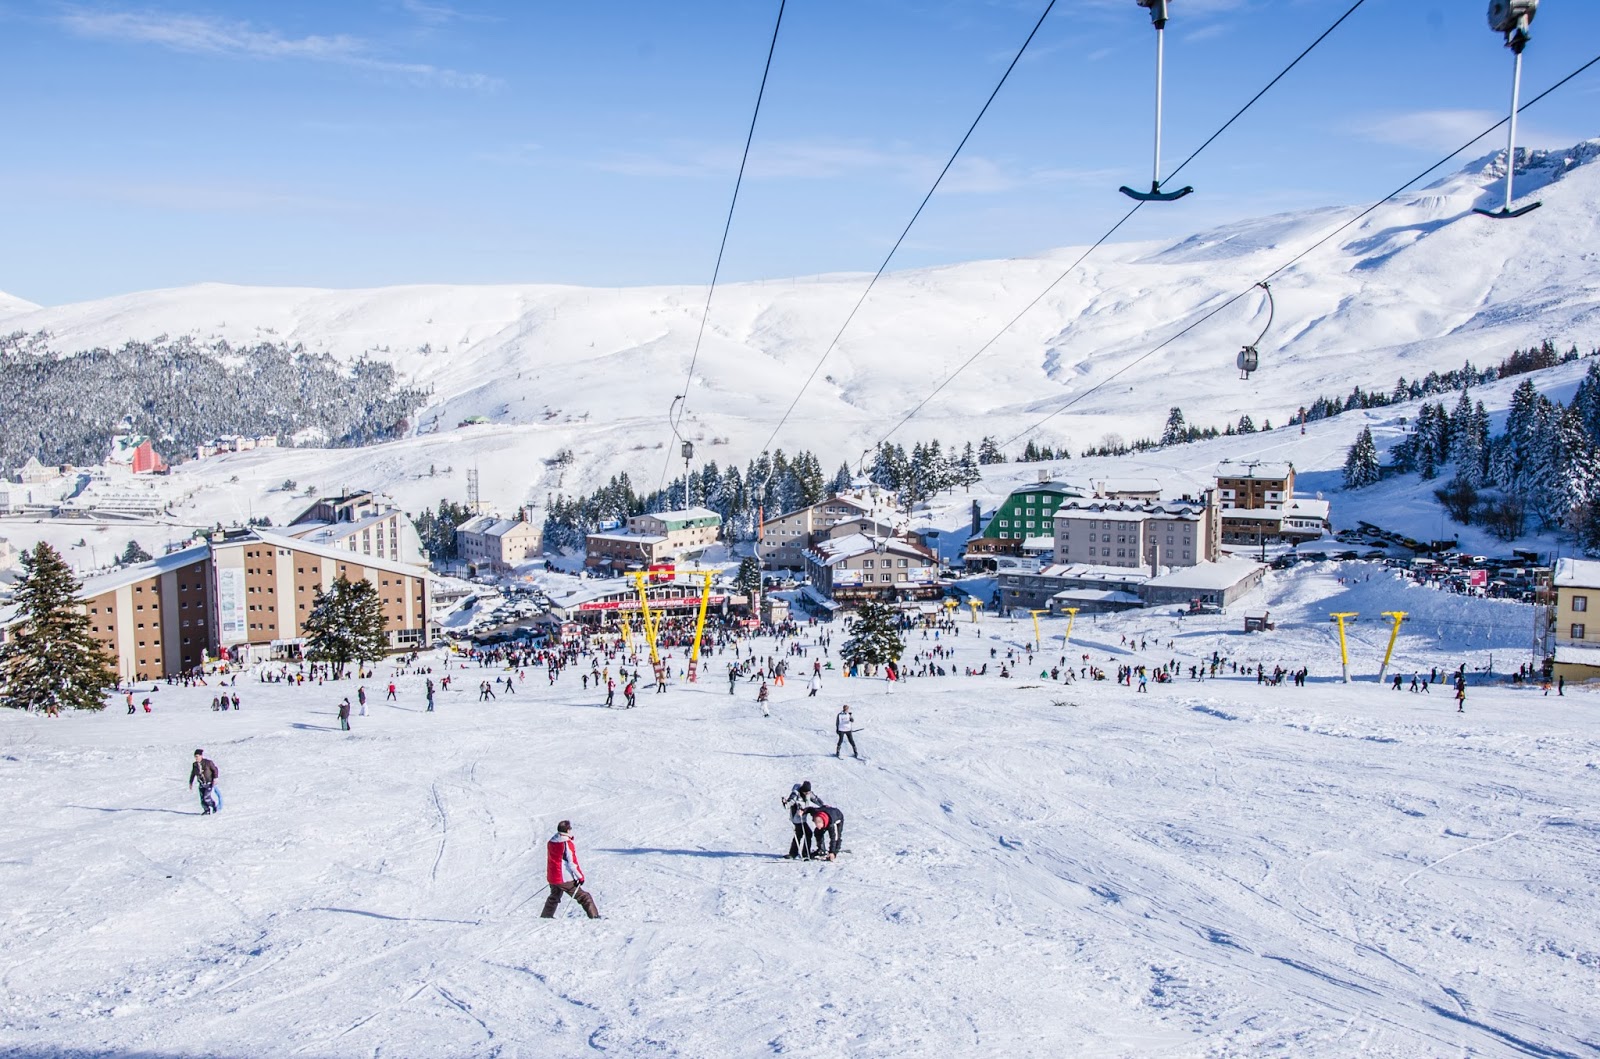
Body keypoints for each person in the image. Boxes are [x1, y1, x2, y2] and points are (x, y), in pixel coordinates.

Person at [540, 820, 600, 919]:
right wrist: (580, 877)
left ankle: (546, 916)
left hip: (552, 876)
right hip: (563, 877)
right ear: (567, 830)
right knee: (584, 897)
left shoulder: (551, 841)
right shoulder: (566, 844)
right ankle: (595, 917)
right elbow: (572, 862)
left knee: (554, 896)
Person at [783, 781, 820, 859]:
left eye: (808, 792)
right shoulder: (795, 794)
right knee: (807, 833)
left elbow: (816, 800)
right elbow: (789, 803)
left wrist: (824, 806)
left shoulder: (809, 793)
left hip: (803, 818)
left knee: (800, 834)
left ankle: (795, 853)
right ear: (802, 790)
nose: (807, 794)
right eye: (806, 792)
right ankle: (804, 853)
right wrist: (785, 803)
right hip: (796, 818)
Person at [188, 749, 220, 815]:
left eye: (197, 756)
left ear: (201, 756)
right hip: (201, 783)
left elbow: (215, 769)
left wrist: (215, 778)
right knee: (202, 800)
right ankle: (206, 810)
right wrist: (190, 782)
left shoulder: (208, 762)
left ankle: (214, 806)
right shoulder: (195, 765)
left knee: (206, 798)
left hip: (209, 783)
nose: (196, 758)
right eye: (195, 756)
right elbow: (193, 774)